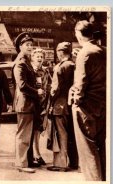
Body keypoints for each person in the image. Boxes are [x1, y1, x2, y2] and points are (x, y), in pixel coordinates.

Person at [69, 20, 106, 181]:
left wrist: (75, 100)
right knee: (101, 149)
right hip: (103, 107)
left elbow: (80, 84)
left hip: (86, 109)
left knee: (88, 151)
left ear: (78, 34)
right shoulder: (104, 50)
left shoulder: (85, 52)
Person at [12, 32, 44, 173]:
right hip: (25, 103)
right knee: (23, 134)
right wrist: (37, 92)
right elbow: (22, 85)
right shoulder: (20, 63)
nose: (30, 47)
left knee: (29, 134)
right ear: (20, 47)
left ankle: (28, 160)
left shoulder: (26, 61)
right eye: (27, 45)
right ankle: (21, 164)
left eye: (31, 44)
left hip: (29, 104)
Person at [47, 42, 75, 172]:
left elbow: (55, 89)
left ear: (60, 53)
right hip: (70, 105)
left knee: (60, 134)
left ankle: (61, 164)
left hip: (59, 104)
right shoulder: (73, 65)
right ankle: (74, 162)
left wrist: (50, 101)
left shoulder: (60, 67)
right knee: (71, 134)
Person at [30, 48, 51, 166]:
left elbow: (48, 86)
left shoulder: (45, 71)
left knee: (38, 130)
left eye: (41, 57)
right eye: (37, 56)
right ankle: (35, 155)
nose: (39, 58)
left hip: (42, 104)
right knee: (32, 131)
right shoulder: (30, 70)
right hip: (32, 104)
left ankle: (37, 154)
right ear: (32, 58)